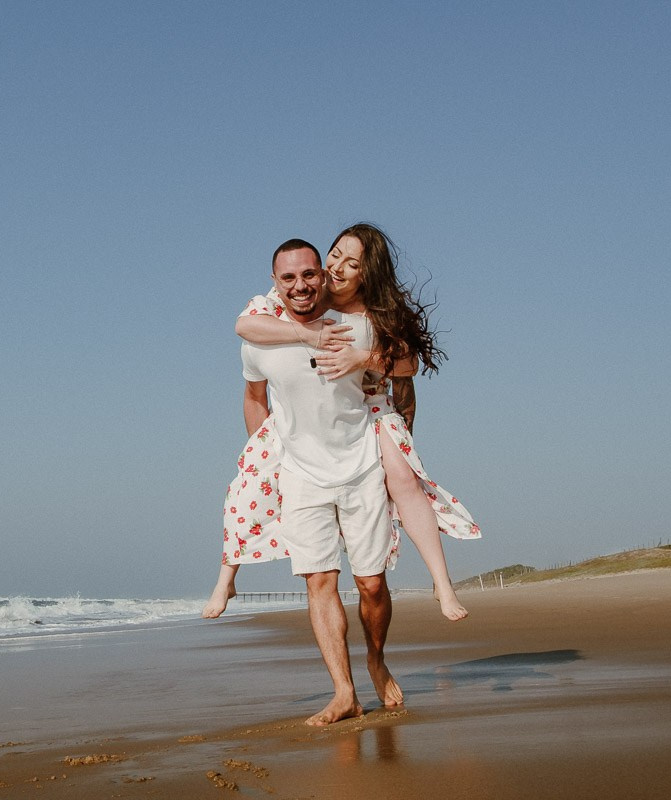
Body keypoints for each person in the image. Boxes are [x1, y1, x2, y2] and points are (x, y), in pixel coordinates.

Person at [203, 223, 480, 622]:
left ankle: (442, 583)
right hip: (303, 424)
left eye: (352, 263)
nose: (338, 267)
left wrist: (362, 358)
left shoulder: (374, 313)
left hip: (370, 407)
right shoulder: (301, 295)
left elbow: (408, 366)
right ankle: (227, 576)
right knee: (252, 481)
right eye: (335, 254)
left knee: (402, 478)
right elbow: (245, 326)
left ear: (368, 274)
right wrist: (307, 335)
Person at [234, 237, 402, 725]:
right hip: (300, 476)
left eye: (309, 274)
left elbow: (405, 362)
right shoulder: (260, 338)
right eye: (288, 278)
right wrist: (266, 452)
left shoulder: (357, 323)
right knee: (320, 581)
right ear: (275, 283)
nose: (300, 285)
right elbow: (252, 395)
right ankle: (344, 692)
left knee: (371, 584)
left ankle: (375, 658)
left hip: (361, 466)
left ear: (322, 276)